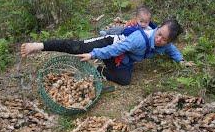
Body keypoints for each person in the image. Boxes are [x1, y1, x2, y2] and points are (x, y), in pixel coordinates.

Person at [21, 19, 188, 86]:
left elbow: (171, 50)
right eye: (159, 34)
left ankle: (96, 69)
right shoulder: (139, 38)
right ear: (157, 29)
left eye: (164, 39)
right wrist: (94, 54)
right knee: (76, 47)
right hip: (112, 44)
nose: (159, 39)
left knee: (124, 80)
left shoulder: (165, 45)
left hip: (123, 58)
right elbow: (116, 48)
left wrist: (180, 60)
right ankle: (38, 45)